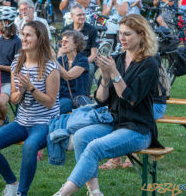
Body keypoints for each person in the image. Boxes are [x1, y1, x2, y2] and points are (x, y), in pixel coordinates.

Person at [53, 14, 161, 196]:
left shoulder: (149, 64)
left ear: (142, 35)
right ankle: (95, 192)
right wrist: (104, 78)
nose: (122, 38)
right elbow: (102, 99)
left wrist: (114, 74)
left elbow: (130, 99)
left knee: (94, 147)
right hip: (114, 122)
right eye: (120, 33)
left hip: (138, 129)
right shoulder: (117, 59)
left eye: (127, 34)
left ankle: (64, 193)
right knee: (80, 137)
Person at [0, 20, 60, 196]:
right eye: (23, 34)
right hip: (22, 121)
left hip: (44, 122)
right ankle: (12, 183)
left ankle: (21, 193)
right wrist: (22, 90)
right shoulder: (17, 61)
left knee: (30, 147)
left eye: (28, 35)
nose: (23, 38)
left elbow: (50, 102)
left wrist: (31, 88)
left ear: (40, 39)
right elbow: (15, 100)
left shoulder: (50, 66)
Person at [0, 6, 21, 126]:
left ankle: (3, 119)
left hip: (10, 81)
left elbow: (16, 68)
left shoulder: (16, 42)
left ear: (6, 22)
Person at [61, 5, 98, 94]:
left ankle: (85, 96)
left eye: (83, 14)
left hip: (86, 61)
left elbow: (94, 55)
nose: (82, 17)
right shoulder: (66, 29)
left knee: (90, 69)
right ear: (72, 16)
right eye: (79, 15)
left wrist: (80, 63)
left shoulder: (92, 30)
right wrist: (59, 61)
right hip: (68, 60)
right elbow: (61, 50)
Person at [56, 30, 90, 114]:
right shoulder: (60, 60)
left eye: (66, 42)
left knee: (57, 108)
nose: (63, 44)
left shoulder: (83, 60)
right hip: (59, 96)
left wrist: (53, 59)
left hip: (75, 99)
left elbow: (68, 76)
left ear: (76, 44)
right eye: (62, 41)